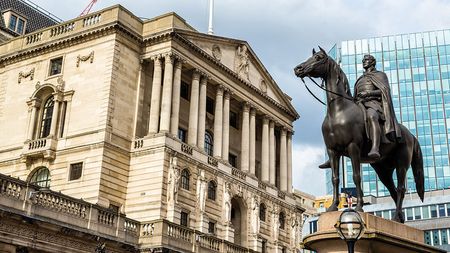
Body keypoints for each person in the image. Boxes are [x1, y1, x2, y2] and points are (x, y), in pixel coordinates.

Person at [319, 54, 401, 168]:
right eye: (363, 60)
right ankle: (333, 154)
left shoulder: (380, 75)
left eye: (366, 60)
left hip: (374, 104)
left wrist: (368, 93)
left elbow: (384, 91)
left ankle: (375, 148)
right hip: (360, 104)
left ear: (372, 62)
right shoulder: (360, 79)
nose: (364, 62)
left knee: (372, 116)